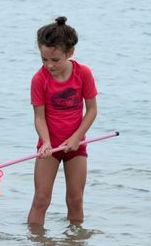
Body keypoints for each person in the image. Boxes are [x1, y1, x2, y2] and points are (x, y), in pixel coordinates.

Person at [27, 17, 98, 226]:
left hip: (76, 146)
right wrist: (46, 143)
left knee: (75, 200)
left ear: (70, 53)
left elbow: (92, 110)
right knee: (41, 200)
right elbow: (39, 117)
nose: (49, 65)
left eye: (55, 60)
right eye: (44, 59)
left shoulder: (83, 73)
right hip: (48, 146)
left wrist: (76, 138)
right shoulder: (39, 79)